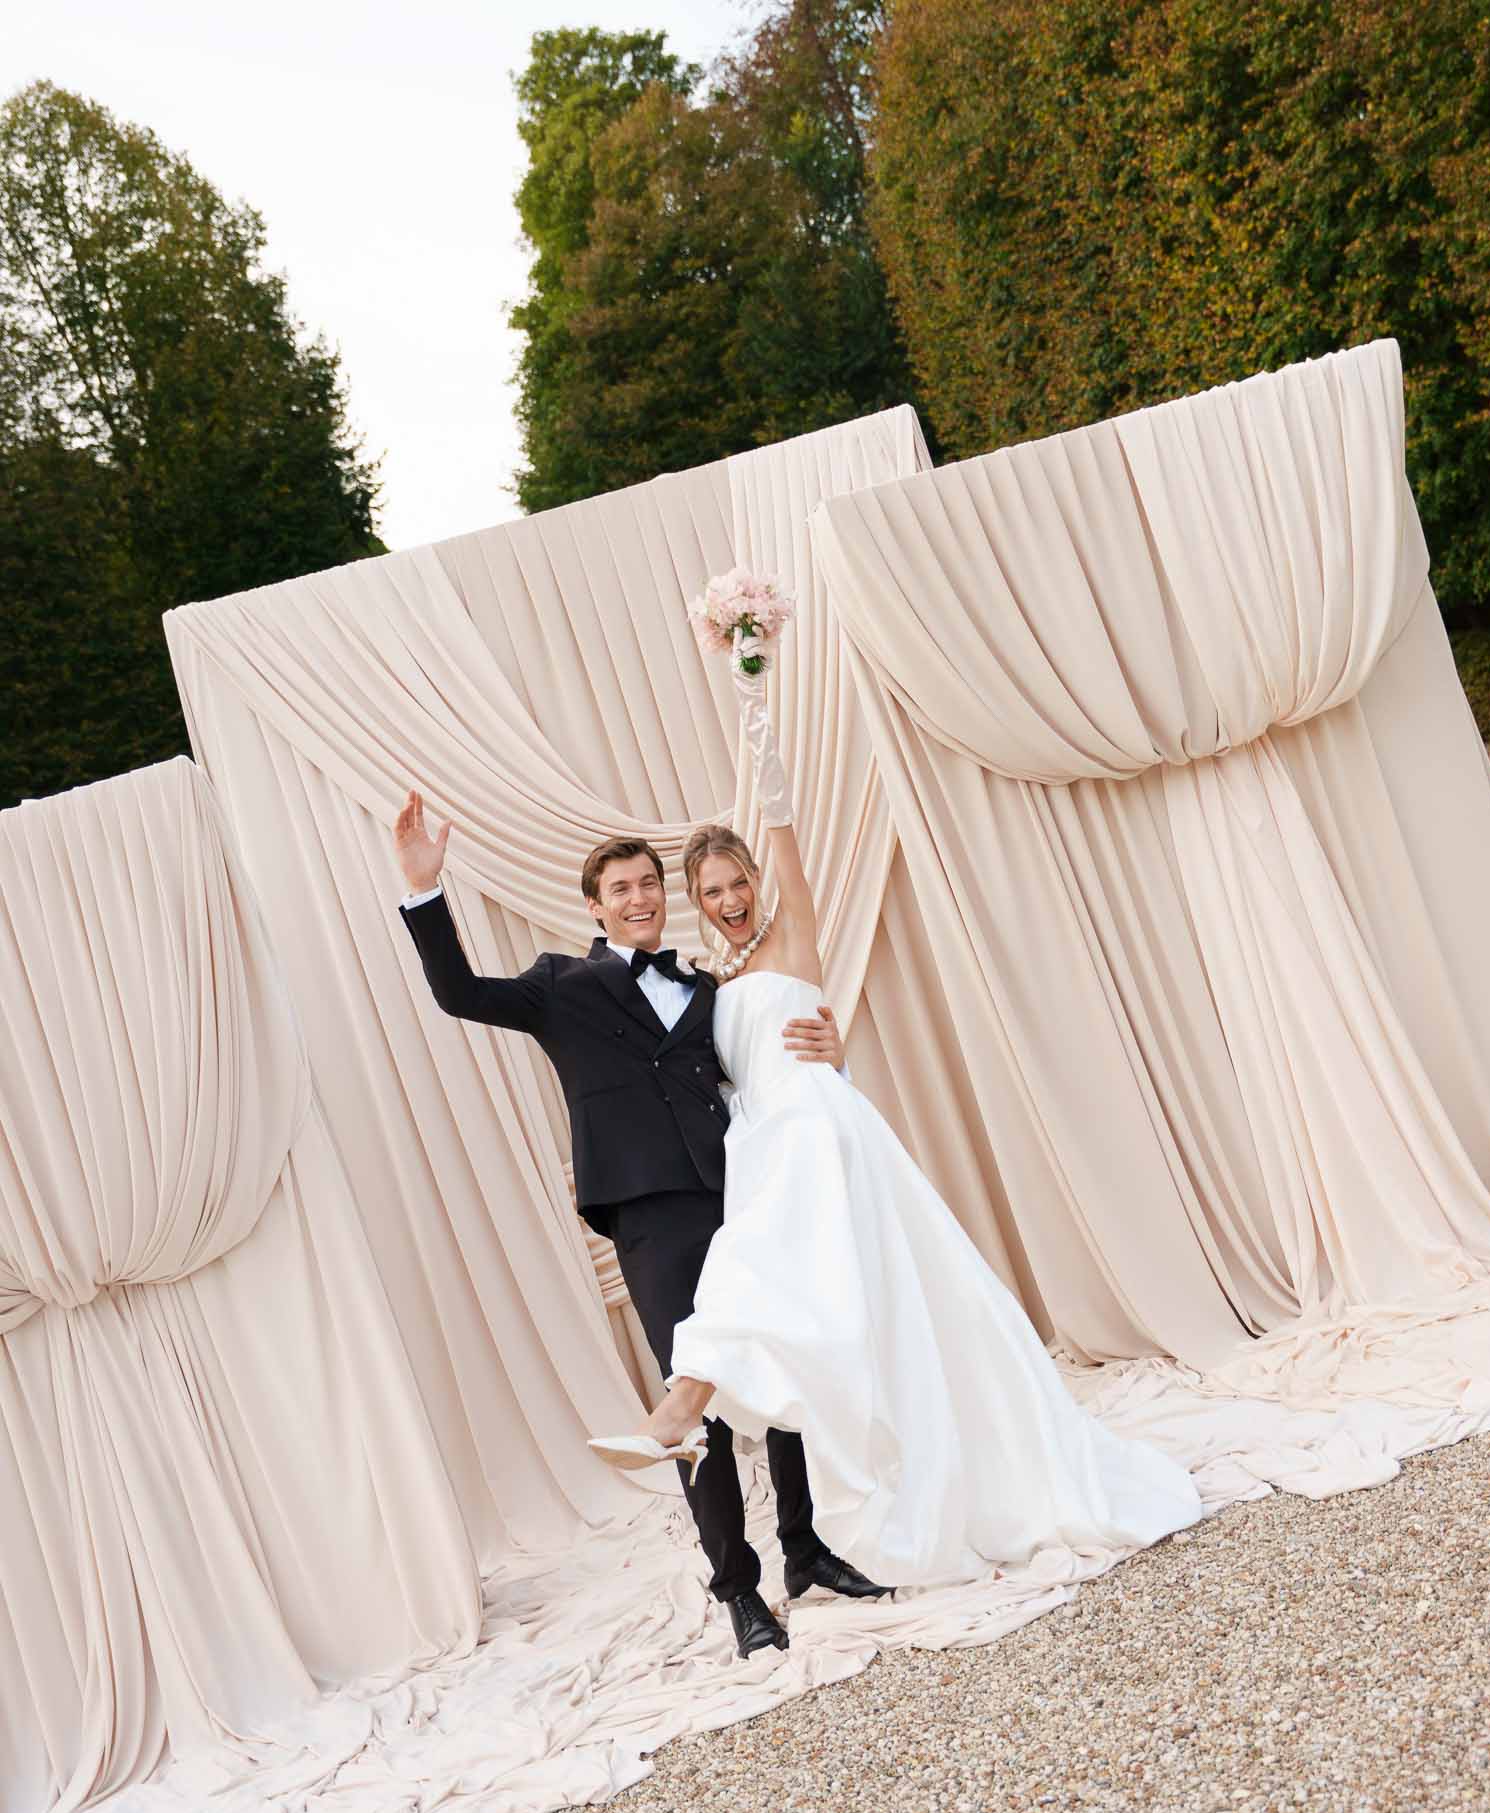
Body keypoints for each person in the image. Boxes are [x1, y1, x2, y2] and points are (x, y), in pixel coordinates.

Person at [593, 662, 1204, 1592]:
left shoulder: (794, 935)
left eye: (737, 881)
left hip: (813, 1128)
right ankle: (734, 1436)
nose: (728, 899)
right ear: (695, 900)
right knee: (793, 1294)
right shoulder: (704, 986)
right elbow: (707, 1071)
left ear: (754, 878)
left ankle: (680, 1407)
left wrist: (754, 695)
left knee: (750, 1270)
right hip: (759, 1138)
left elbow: (787, 839)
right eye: (711, 890)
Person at [392, 797, 890, 1659]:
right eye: (619, 889)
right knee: (694, 1405)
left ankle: (805, 1553)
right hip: (649, 1214)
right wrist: (423, 891)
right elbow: (457, 993)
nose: (638, 898)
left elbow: (767, 1067)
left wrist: (827, 1045)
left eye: (648, 885)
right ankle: (739, 1590)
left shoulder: (707, 988)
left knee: (777, 1368)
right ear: (594, 905)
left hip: (739, 1195)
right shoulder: (561, 986)